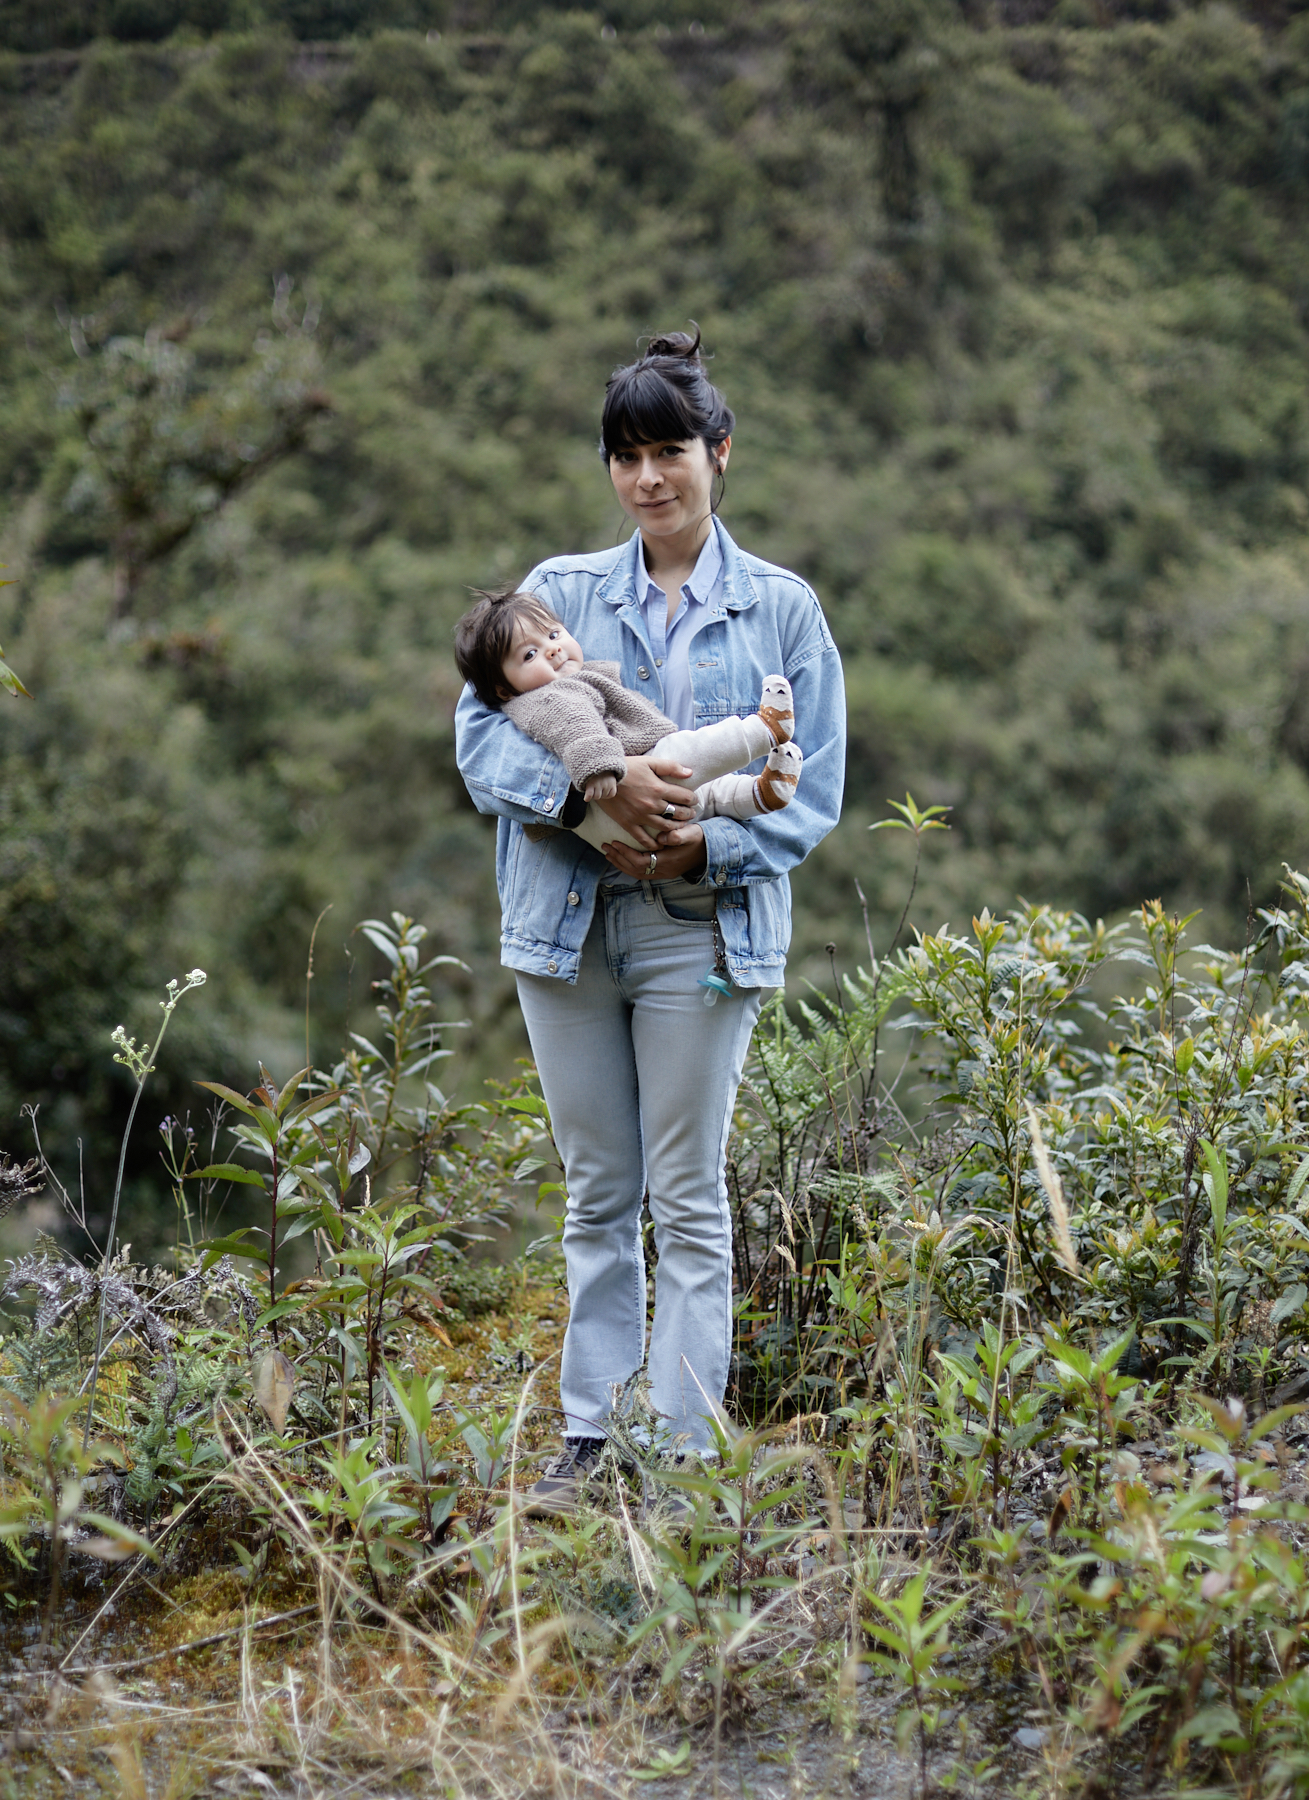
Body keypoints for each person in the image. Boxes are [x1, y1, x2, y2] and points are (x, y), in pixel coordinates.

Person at [454, 329, 845, 1514]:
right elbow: (479, 744)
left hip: (700, 928)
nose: (646, 478)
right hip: (566, 930)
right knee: (596, 1192)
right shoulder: (559, 592)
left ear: (719, 453)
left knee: (686, 1197)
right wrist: (592, 797)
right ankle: (589, 1440)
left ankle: (678, 1458)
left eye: (667, 451)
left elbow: (813, 791)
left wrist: (701, 843)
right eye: (624, 456)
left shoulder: (781, 610)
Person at [452, 585, 806, 854]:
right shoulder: (549, 697)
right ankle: (763, 729)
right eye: (530, 654)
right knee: (681, 756)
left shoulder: (544, 694)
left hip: (617, 834)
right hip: (615, 802)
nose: (553, 649)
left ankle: (762, 794)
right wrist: (600, 768)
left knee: (707, 796)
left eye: (553, 634)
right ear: (504, 690)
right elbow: (576, 727)